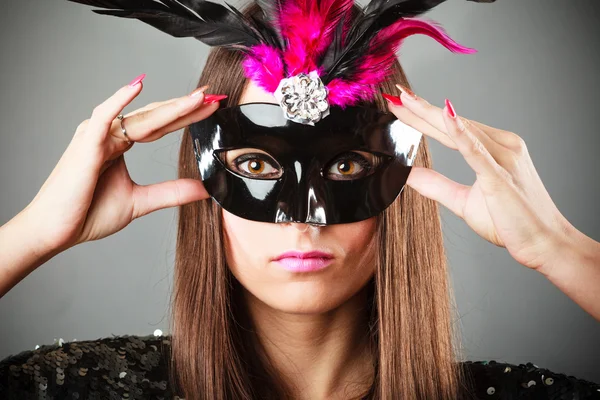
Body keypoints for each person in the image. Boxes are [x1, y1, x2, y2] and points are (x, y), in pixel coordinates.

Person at [1, 0, 599, 399]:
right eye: (256, 164)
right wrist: (33, 234)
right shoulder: (81, 387)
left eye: (344, 164)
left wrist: (559, 250)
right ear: (206, 180)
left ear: (400, 176)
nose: (302, 219)